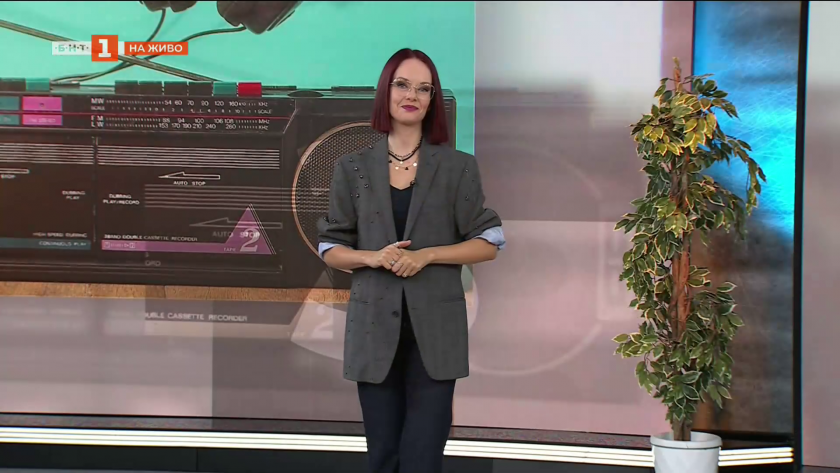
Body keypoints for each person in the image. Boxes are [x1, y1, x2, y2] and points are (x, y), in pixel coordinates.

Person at [317, 48, 505, 473]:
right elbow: (331, 247)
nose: (412, 95)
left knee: (423, 457)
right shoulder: (352, 167)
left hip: (436, 333)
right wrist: (372, 257)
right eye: (402, 84)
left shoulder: (458, 167)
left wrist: (429, 255)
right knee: (383, 455)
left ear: (432, 100)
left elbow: (489, 242)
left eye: (424, 88)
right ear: (385, 91)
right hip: (372, 328)